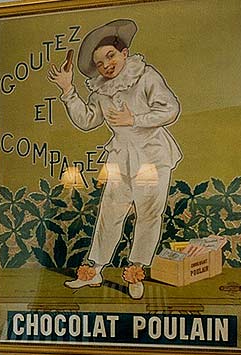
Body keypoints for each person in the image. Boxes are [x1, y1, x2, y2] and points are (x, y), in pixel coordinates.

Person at [48, 19, 181, 300]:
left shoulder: (145, 76)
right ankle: (95, 270)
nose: (106, 65)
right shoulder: (100, 90)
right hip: (121, 156)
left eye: (110, 56)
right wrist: (68, 90)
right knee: (110, 211)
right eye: (99, 63)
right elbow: (87, 120)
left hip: (153, 155)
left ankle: (135, 272)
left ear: (124, 53)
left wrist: (136, 119)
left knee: (148, 214)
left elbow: (170, 109)